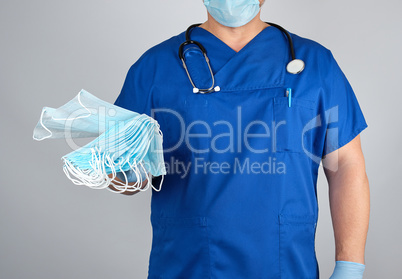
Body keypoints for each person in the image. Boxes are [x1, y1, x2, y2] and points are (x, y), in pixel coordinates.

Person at [109, 0, 370, 278]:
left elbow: (346, 167)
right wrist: (117, 172)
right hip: (187, 264)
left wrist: (349, 266)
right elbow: (125, 178)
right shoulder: (154, 68)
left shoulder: (316, 64)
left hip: (285, 266)